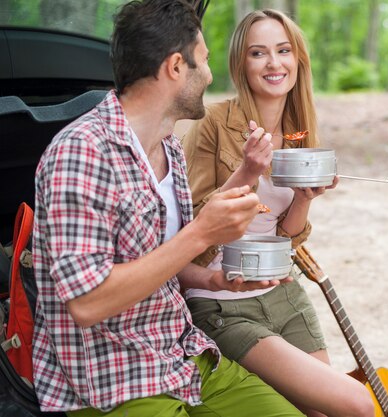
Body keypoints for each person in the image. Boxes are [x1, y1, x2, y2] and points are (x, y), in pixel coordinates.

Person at [31, 1, 305, 416]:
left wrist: (213, 281)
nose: (211, 75)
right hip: (112, 380)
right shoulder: (81, 153)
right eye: (205, 61)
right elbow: (87, 303)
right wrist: (200, 234)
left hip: (184, 358)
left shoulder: (169, 148)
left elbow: (162, 259)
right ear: (177, 66)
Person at [181, 9, 374, 417]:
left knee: (323, 409)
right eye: (258, 53)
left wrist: (304, 198)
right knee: (353, 405)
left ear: (298, 59)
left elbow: (286, 238)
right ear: (240, 63)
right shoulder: (214, 122)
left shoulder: (300, 129)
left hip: (283, 291)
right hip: (221, 298)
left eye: (283, 50)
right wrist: (247, 171)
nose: (274, 63)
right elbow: (191, 222)